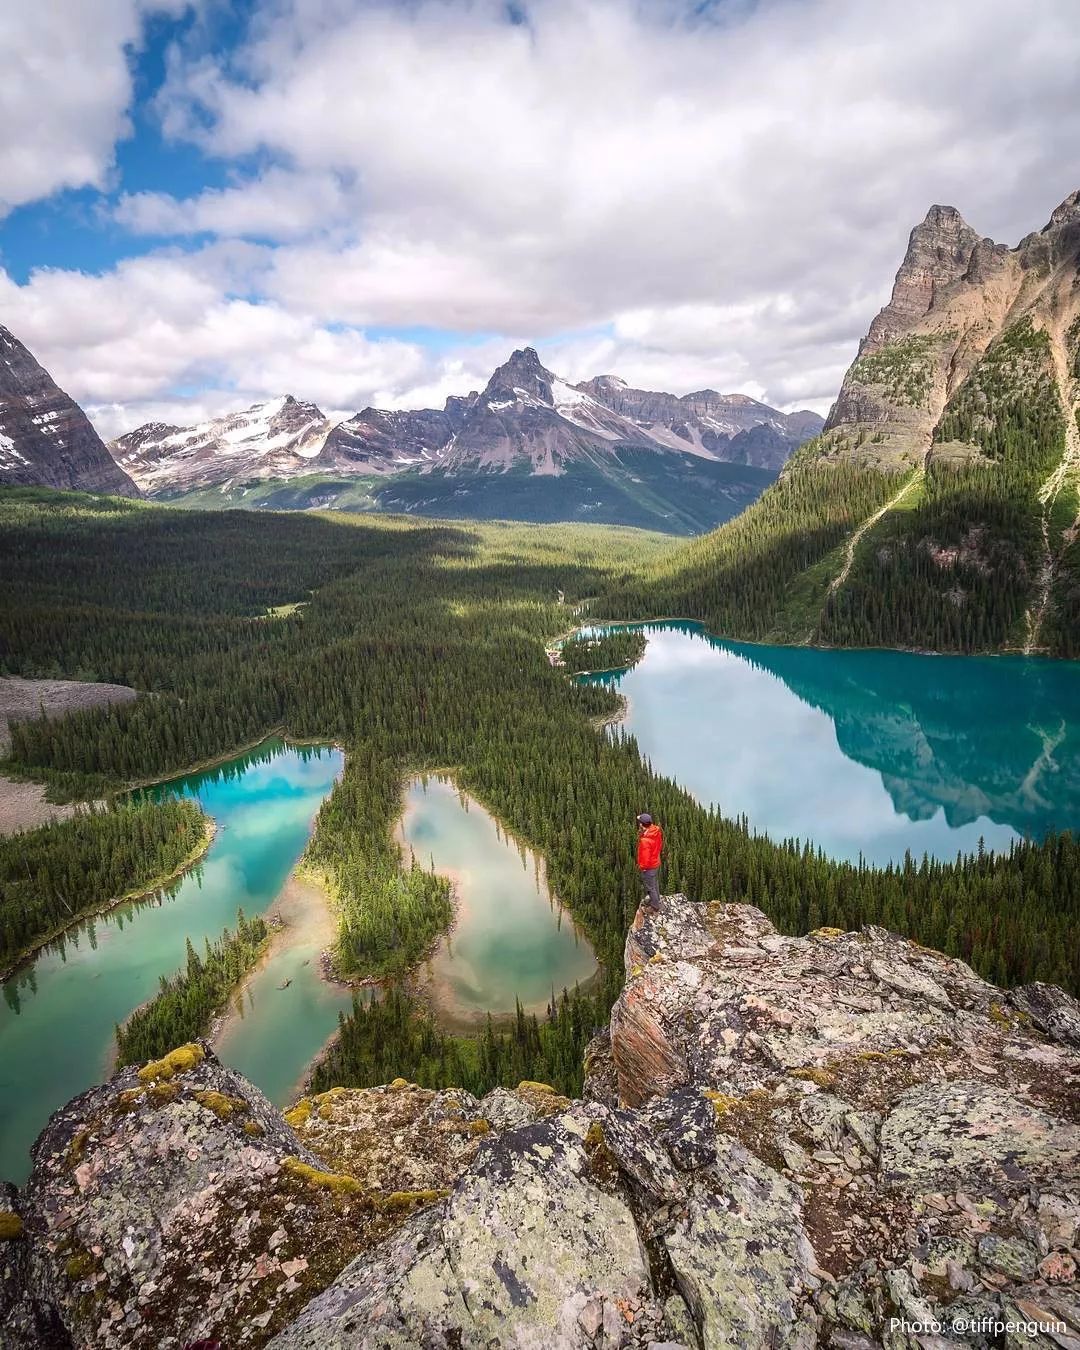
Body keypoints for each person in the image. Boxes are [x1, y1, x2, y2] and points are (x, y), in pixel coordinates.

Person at [636, 812, 663, 911]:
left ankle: (655, 906)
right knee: (654, 883)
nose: (639, 824)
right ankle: (656, 899)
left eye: (640, 822)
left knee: (650, 887)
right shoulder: (656, 831)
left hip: (649, 866)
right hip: (655, 862)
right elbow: (659, 845)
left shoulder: (645, 841)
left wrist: (642, 868)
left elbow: (645, 858)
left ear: (642, 825)